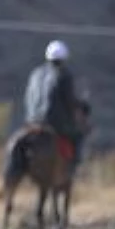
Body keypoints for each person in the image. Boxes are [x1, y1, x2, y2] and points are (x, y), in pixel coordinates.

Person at [23, 40, 85, 172]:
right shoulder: (64, 75)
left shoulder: (36, 74)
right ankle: (73, 167)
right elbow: (69, 101)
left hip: (32, 121)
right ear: (64, 58)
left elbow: (28, 97)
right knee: (78, 136)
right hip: (54, 123)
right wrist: (81, 106)